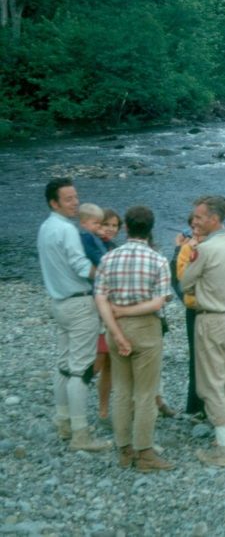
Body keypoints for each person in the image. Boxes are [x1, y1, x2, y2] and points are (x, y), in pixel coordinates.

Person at [93, 205, 174, 472]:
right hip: (145, 328)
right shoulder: (158, 260)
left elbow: (100, 298)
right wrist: (128, 311)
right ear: (150, 229)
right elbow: (159, 301)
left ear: (126, 227)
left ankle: (124, 448)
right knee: (145, 393)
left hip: (115, 327)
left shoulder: (109, 258)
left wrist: (115, 329)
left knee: (123, 391)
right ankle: (145, 453)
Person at [36, 177, 110, 452]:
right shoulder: (67, 230)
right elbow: (81, 266)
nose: (75, 202)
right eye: (68, 199)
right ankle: (81, 435)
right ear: (54, 203)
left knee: (64, 364)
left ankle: (63, 422)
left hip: (58, 303)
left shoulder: (45, 228)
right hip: (79, 304)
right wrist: (106, 276)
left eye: (76, 197)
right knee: (81, 369)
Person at [180, 195, 225, 466]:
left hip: (211, 319)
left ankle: (222, 448)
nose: (194, 221)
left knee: (211, 383)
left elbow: (185, 282)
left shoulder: (205, 249)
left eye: (198, 217)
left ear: (213, 219)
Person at [78, 203, 113, 423]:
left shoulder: (108, 244)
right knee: (100, 357)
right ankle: (80, 381)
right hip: (100, 307)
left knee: (108, 361)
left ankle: (103, 409)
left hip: (109, 307)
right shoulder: (89, 240)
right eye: (101, 224)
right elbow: (101, 265)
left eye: (111, 225)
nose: (105, 229)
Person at [173, 216, 206, 419]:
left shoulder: (215, 247)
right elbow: (182, 277)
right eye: (193, 228)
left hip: (211, 308)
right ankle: (194, 405)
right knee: (195, 356)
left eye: (199, 228)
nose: (196, 232)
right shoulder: (187, 249)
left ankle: (211, 405)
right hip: (194, 309)